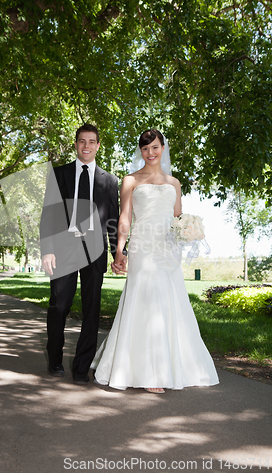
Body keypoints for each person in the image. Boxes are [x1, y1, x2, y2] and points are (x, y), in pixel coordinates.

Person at [91, 129, 219, 393]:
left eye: (155, 148)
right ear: (141, 151)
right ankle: (149, 373)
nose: (150, 153)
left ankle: (175, 367)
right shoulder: (130, 180)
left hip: (168, 249)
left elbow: (177, 219)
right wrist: (119, 252)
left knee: (170, 302)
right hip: (143, 246)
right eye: (145, 148)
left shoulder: (174, 183)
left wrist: (188, 230)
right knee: (146, 301)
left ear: (163, 148)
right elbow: (124, 219)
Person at [40, 124, 121, 385]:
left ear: (98, 146)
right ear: (76, 144)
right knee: (59, 306)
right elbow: (48, 214)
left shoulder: (109, 181)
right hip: (63, 248)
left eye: (91, 141)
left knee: (92, 310)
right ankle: (54, 359)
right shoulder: (59, 174)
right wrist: (48, 250)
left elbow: (113, 218)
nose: (86, 146)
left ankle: (81, 367)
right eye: (81, 141)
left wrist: (117, 253)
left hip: (94, 251)